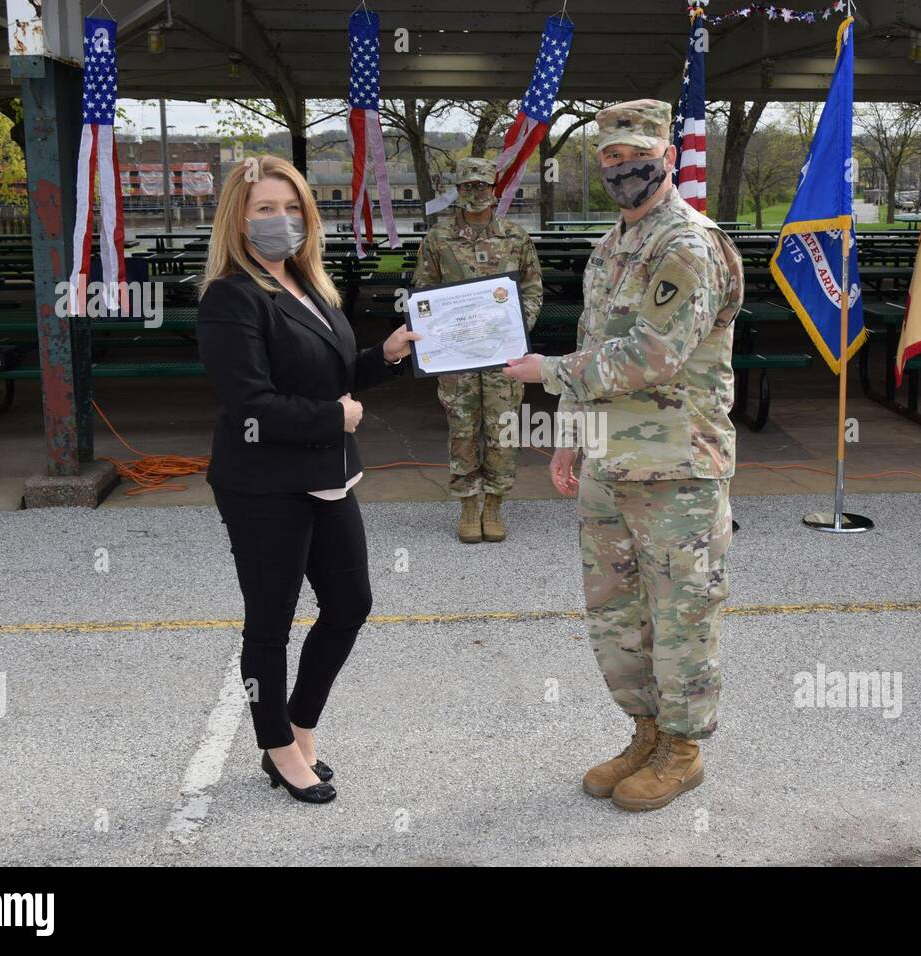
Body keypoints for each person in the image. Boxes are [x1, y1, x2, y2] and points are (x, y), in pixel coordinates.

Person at [504, 100, 744, 812]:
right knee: (618, 614)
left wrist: (544, 374)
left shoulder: (687, 245)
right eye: (608, 157)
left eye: (634, 153)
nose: (621, 167)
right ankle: (644, 731)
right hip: (611, 462)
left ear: (666, 155)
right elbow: (593, 336)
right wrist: (571, 436)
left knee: (681, 614)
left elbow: (652, 356)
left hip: (677, 467)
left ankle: (683, 749)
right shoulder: (612, 247)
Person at [196, 155, 419, 804]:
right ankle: (277, 746)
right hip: (263, 484)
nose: (281, 220)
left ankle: (301, 721)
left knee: (350, 605)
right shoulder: (229, 298)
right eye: (265, 209)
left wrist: (385, 358)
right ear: (237, 218)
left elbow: (331, 374)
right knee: (270, 623)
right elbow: (252, 405)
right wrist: (335, 416)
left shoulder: (307, 282)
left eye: (292, 207)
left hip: (327, 475)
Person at [411, 157, 544, 543]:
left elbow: (533, 288)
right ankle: (468, 503)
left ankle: (494, 504)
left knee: (503, 427)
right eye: (467, 186)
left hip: (503, 354)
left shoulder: (516, 238)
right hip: (458, 357)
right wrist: (436, 333)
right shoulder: (438, 239)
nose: (475, 193)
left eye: (481, 186)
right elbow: (423, 292)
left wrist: (520, 326)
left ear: (494, 189)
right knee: (463, 428)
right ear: (458, 190)